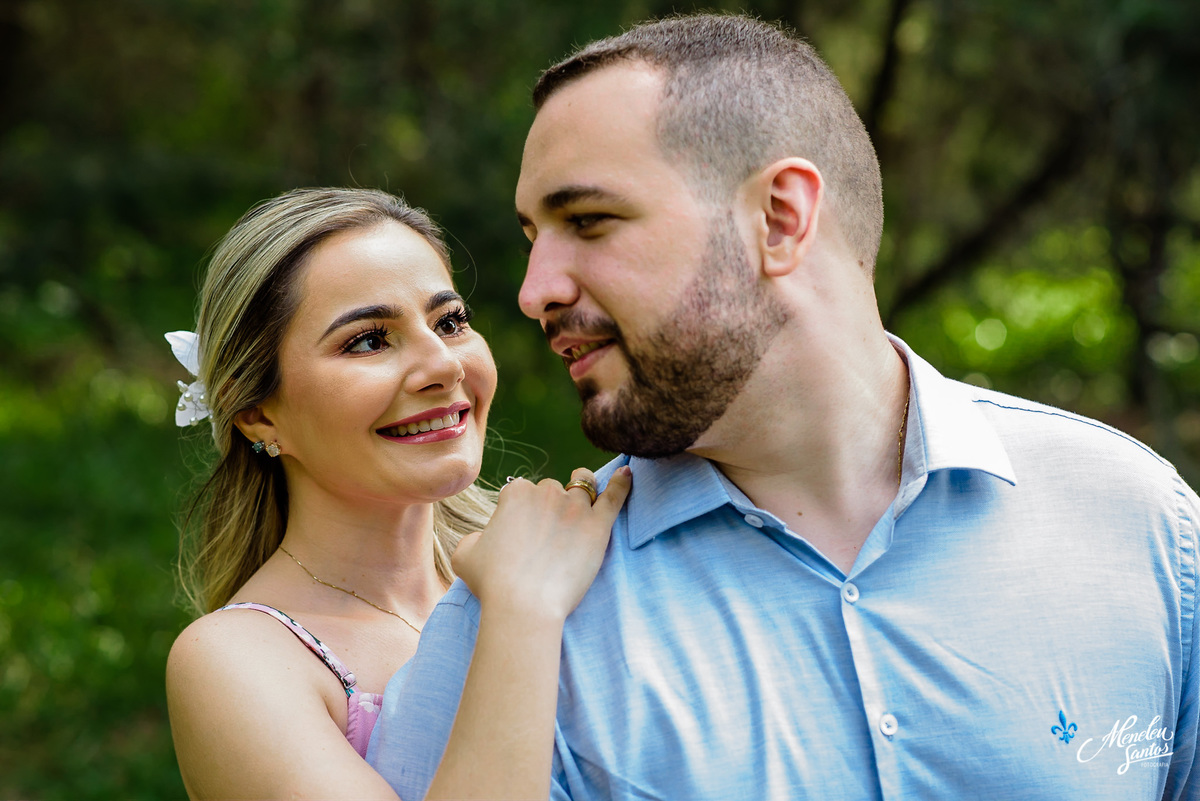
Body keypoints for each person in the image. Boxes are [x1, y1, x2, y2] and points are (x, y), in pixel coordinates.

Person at [367, 13, 1200, 800]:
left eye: (588, 220)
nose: (534, 291)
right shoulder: (514, 619)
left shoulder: (1143, 526)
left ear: (778, 219)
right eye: (532, 240)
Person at [163, 187, 631, 800]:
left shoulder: (560, 548)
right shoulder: (237, 662)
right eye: (368, 340)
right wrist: (521, 610)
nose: (444, 366)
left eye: (450, 322)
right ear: (258, 415)